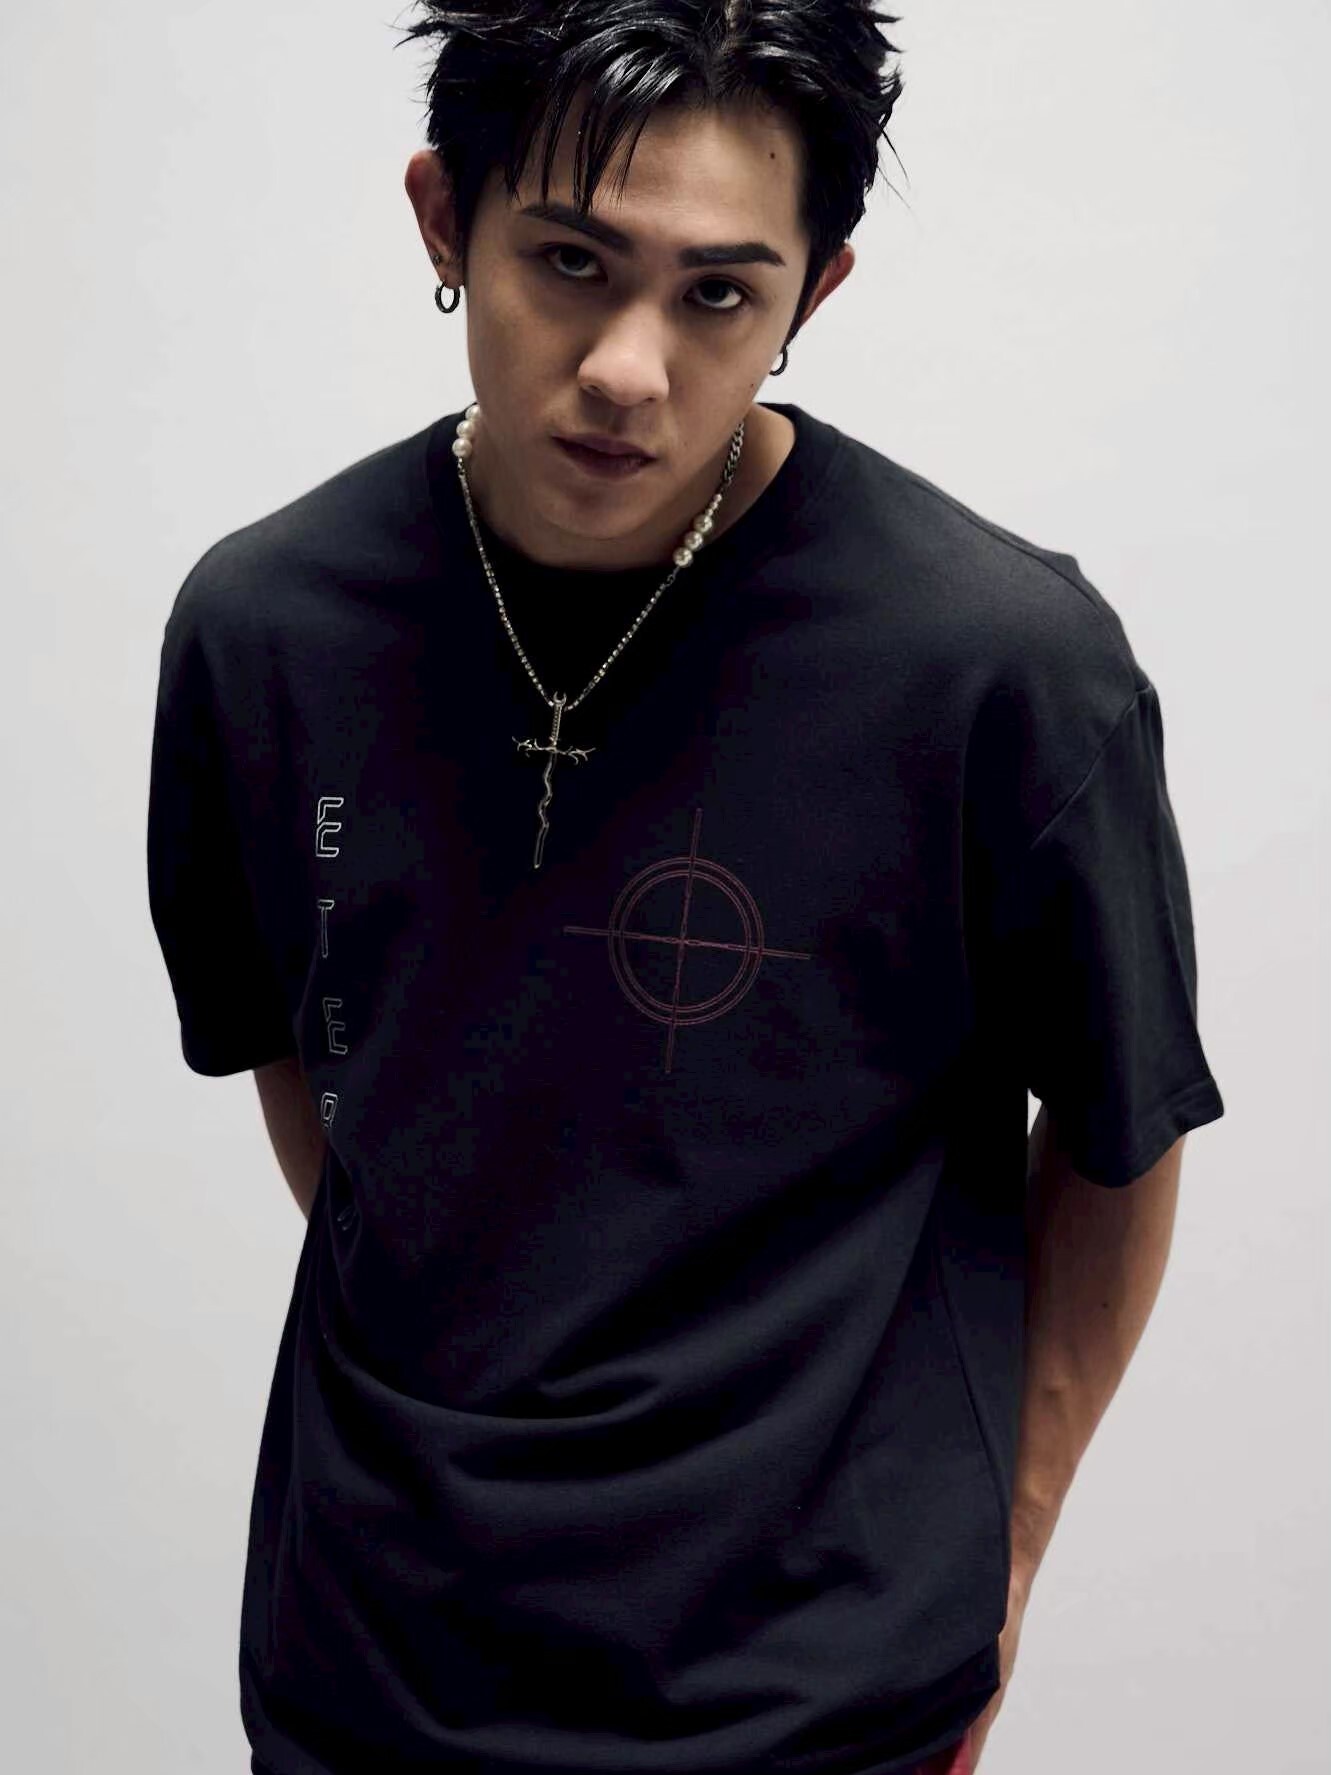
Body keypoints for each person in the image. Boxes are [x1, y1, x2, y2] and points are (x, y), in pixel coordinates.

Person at [145, 4, 1226, 1773]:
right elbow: (306, 1051)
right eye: (570, 263)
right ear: (444, 218)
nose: (630, 368)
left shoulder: (1001, 666)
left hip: (822, 1686)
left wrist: (1006, 1553)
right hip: (369, 1660)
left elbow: (1121, 1134)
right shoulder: (266, 629)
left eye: (720, 293)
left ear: (817, 293)